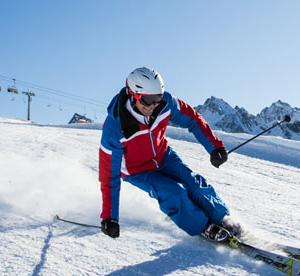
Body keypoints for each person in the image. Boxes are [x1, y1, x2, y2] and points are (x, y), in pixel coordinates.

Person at [99, 67, 239, 243]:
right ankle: (203, 227)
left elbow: (192, 119)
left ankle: (222, 218)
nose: (153, 105)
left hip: (163, 156)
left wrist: (214, 147)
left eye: (157, 98)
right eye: (148, 100)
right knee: (174, 193)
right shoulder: (115, 127)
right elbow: (108, 176)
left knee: (193, 183)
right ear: (132, 94)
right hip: (138, 171)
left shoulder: (165, 103)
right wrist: (109, 217)